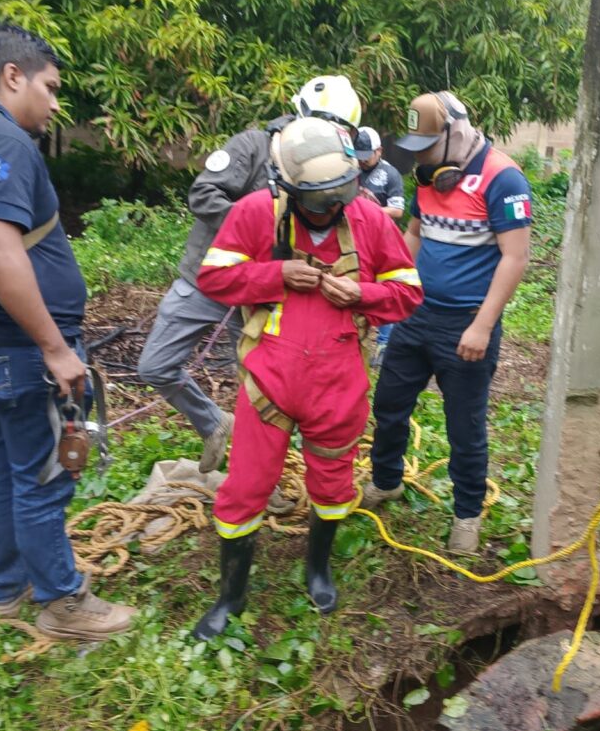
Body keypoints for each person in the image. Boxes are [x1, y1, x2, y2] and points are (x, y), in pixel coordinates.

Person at [0, 24, 135, 639]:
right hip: (20, 347)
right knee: (43, 472)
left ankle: (4, 588)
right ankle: (62, 602)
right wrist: (55, 347)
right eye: (51, 87)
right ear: (13, 76)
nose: (55, 103)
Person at [191, 118, 422, 639]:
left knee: (333, 483)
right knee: (246, 487)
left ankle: (318, 569)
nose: (332, 208)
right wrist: (275, 274)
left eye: (340, 195)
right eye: (319, 201)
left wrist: (363, 294)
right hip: (268, 383)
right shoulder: (256, 213)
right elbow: (214, 277)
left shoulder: (369, 219)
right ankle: (231, 597)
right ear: (289, 188)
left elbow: (408, 292)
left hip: (339, 384)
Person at [137, 75, 363, 477]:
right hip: (205, 280)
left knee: (260, 393)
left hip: (264, 293)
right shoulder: (254, 147)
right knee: (155, 366)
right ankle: (213, 422)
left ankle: (258, 481)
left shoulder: (326, 169)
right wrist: (253, 226)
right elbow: (203, 194)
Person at [363, 91, 532, 554]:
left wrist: (482, 326)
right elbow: (414, 233)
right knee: (389, 404)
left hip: (466, 324)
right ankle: (386, 481)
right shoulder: (427, 178)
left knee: (464, 425)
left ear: (456, 134)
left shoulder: (504, 178)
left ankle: (467, 514)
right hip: (416, 316)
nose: (419, 158)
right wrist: (394, 292)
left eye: (427, 146)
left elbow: (516, 258)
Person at [353, 125, 406, 364]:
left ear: (379, 151)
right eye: (359, 156)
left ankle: (384, 344)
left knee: (384, 289)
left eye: (367, 156)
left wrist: (367, 212)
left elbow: (397, 210)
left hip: (382, 238)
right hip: (355, 238)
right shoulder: (351, 169)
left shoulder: (389, 174)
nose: (363, 161)